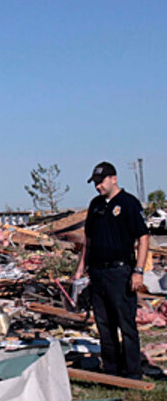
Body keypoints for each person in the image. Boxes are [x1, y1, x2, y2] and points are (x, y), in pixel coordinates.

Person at [73, 161, 150, 379]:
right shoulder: (96, 205)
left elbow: (143, 238)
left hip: (120, 272)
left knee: (125, 324)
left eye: (101, 182)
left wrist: (139, 271)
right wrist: (80, 268)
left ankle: (132, 372)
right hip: (98, 273)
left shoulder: (128, 204)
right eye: (95, 183)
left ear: (113, 179)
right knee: (104, 325)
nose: (98, 186)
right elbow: (88, 239)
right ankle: (112, 370)